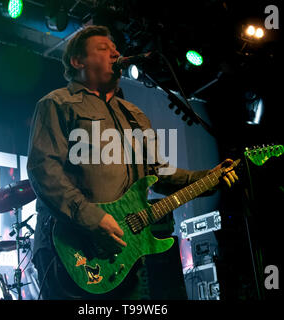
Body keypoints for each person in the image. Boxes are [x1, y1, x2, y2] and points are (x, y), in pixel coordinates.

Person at [27, 25, 239, 300]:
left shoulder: (134, 115)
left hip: (125, 255)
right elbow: (44, 171)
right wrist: (94, 219)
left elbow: (159, 174)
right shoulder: (57, 104)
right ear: (77, 61)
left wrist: (209, 178)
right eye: (103, 48)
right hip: (72, 249)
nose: (115, 52)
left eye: (115, 48)